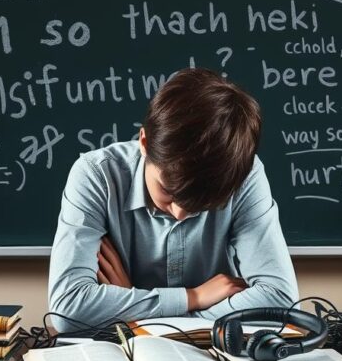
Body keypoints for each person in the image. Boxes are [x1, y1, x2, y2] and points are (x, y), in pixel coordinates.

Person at [47, 68, 298, 331]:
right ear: (144, 142)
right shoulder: (96, 175)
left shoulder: (242, 174)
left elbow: (280, 300)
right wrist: (194, 297)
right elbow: (67, 308)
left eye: (200, 205)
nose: (179, 213)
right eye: (168, 191)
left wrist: (138, 317)